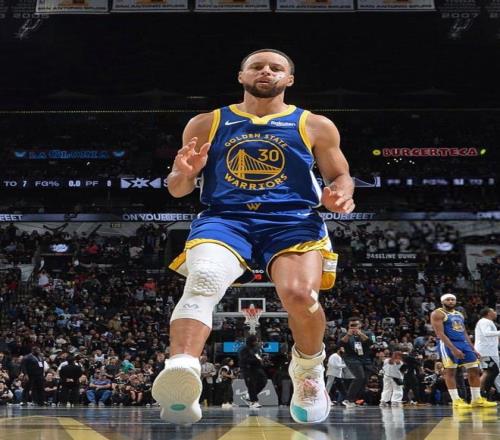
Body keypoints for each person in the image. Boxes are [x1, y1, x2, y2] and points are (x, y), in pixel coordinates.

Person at [152, 48, 355, 425]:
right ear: (241, 76)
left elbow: (340, 175)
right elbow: (178, 189)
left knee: (299, 295)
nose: (266, 71)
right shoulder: (206, 122)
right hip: (225, 217)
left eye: (276, 68)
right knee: (204, 279)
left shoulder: (315, 124)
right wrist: (184, 173)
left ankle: (308, 370)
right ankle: (183, 371)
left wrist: (341, 194)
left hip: (292, 219)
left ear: (289, 79)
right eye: (256, 67)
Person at [431, 294, 496, 408]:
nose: (451, 301)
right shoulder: (438, 313)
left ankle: (476, 399)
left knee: (474, 369)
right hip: (448, 344)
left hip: (463, 343)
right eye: (448, 300)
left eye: (453, 299)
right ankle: (456, 400)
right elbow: (440, 334)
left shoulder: (459, 314)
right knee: (450, 372)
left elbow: (464, 332)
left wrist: (473, 348)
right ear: (442, 302)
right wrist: (453, 349)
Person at [339, 317, 374, 408]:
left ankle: (355, 400)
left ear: (360, 325)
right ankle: (348, 399)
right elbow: (340, 344)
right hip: (351, 358)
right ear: (348, 326)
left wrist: (360, 334)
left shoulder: (368, 333)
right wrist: (348, 335)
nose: (354, 327)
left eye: (356, 325)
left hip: (365, 359)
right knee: (359, 377)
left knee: (364, 380)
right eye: (352, 325)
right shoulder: (344, 334)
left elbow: (371, 343)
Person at [474, 307, 500, 401]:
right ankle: (480, 395)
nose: (495, 312)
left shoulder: (486, 321)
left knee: (492, 372)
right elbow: (486, 333)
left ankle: (482, 395)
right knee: (490, 371)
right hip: (486, 351)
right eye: (493, 311)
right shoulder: (485, 321)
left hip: (489, 351)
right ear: (488, 313)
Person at [238, 335, 268, 409]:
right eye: (255, 341)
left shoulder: (256, 349)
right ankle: (253, 402)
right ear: (251, 341)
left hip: (257, 368)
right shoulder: (244, 349)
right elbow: (244, 360)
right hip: (248, 369)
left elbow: (258, 357)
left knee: (263, 381)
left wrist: (262, 361)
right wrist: (256, 360)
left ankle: (248, 395)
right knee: (251, 385)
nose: (257, 342)